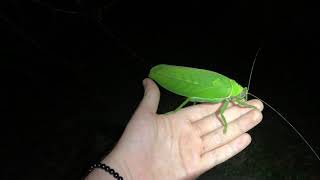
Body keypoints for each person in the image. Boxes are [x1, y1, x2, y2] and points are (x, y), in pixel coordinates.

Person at [85, 78, 263, 180]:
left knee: (195, 96)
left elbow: (236, 100)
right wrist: (123, 169)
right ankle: (177, 110)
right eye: (243, 94)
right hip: (200, 82)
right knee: (193, 95)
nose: (243, 97)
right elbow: (223, 111)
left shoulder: (234, 91)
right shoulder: (229, 92)